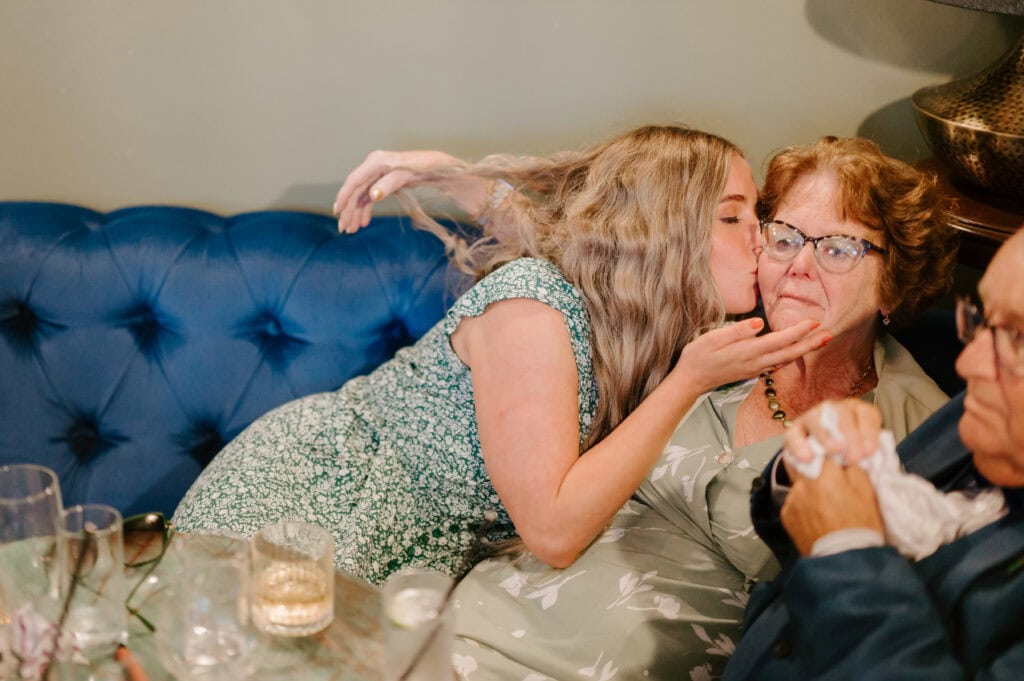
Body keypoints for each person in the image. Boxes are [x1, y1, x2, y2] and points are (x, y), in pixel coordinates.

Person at [172, 126, 827, 585]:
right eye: (734, 217)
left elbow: (555, 232)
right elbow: (554, 533)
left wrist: (459, 178)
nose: (761, 239)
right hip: (318, 505)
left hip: (401, 555)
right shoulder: (534, 309)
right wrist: (688, 382)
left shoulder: (625, 303)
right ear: (668, 234)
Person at [448, 136, 956, 680]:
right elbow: (600, 241)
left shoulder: (918, 432)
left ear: (893, 288)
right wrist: (449, 176)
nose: (799, 266)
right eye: (784, 239)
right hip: (472, 631)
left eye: (837, 249)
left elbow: (900, 622)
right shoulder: (698, 324)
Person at [721, 230, 1024, 681]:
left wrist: (847, 550)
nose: (968, 364)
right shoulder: (982, 409)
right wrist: (812, 463)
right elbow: (805, 538)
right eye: (983, 320)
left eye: (1018, 338)